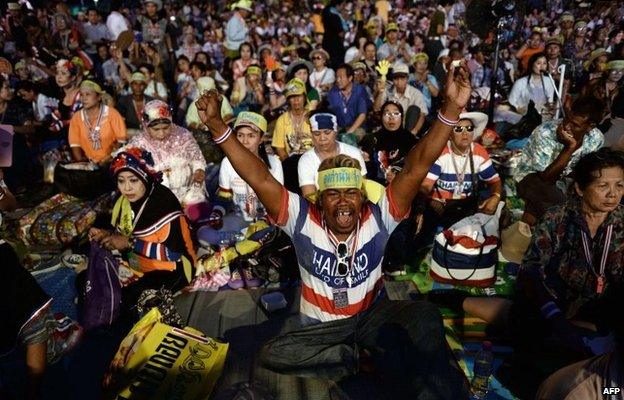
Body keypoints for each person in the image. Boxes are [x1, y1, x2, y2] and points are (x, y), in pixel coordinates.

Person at [194, 59, 472, 400]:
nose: (344, 203)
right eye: (334, 195)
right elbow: (259, 176)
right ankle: (359, 357)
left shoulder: (380, 214)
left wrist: (451, 109)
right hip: (321, 331)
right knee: (273, 353)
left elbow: (417, 166)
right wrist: (219, 129)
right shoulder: (299, 216)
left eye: (351, 193)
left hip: (371, 316)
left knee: (426, 316)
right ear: (320, 199)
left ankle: (401, 375)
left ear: (361, 195)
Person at [511, 148, 624, 367]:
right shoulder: (557, 218)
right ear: (580, 189)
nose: (613, 194)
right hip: (555, 308)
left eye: (619, 185)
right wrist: (554, 315)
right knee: (526, 326)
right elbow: (531, 271)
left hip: (602, 311)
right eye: (603, 186)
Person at [89, 148, 197, 311]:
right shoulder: (123, 201)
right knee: (89, 279)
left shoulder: (162, 203)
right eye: (121, 180)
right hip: (136, 263)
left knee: (128, 299)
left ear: (145, 177)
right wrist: (107, 235)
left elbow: (174, 254)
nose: (127, 188)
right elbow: (123, 233)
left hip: (173, 269)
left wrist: (130, 243)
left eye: (133, 180)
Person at [197, 112, 282, 288]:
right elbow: (224, 198)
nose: (245, 141)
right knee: (207, 232)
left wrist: (264, 221)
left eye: (251, 136)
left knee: (259, 231)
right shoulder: (228, 163)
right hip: (239, 220)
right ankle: (238, 265)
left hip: (266, 222)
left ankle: (252, 264)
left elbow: (279, 202)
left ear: (261, 138)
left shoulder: (274, 163)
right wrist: (216, 213)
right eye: (240, 135)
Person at [514, 96, 606, 226]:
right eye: (566, 119)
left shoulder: (596, 139)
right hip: (532, 178)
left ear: (590, 127)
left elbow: (586, 171)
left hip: (564, 180)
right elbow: (547, 179)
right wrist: (570, 148)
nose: (566, 126)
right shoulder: (545, 133)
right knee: (560, 205)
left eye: (575, 125)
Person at [418, 112, 501, 232]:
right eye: (458, 129)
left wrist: (496, 196)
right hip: (440, 205)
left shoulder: (479, 152)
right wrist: (426, 203)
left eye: (469, 128)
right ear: (450, 134)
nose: (465, 133)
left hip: (466, 206)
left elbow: (495, 181)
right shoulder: (441, 153)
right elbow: (425, 186)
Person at [126, 100, 206, 203]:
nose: (162, 133)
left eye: (166, 128)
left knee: (195, 212)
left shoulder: (183, 135)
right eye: (156, 129)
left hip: (187, 191)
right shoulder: (139, 144)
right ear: (146, 126)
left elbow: (196, 157)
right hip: (156, 196)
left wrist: (199, 169)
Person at [298, 113, 367, 198]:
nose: (322, 138)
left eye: (327, 132)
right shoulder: (306, 160)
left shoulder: (353, 153)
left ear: (335, 132)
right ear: (311, 135)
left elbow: (363, 189)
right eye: (317, 133)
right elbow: (309, 197)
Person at [69, 80, 127, 164]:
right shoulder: (76, 117)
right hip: (87, 163)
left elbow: (121, 141)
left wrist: (107, 160)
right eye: (81, 94)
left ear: (99, 97)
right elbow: (75, 144)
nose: (84, 98)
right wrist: (83, 164)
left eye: (88, 94)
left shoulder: (112, 114)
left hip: (111, 162)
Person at [271, 78, 313, 193]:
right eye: (292, 97)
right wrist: (288, 162)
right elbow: (279, 147)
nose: (296, 100)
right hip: (291, 161)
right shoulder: (282, 120)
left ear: (304, 97)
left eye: (299, 96)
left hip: (312, 160)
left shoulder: (313, 117)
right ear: (288, 100)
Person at [364, 101, 417, 184]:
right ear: (381, 117)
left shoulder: (411, 140)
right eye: (387, 114)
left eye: (396, 113)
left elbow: (415, 170)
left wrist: (399, 177)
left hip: (403, 187)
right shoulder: (372, 139)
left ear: (402, 117)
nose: (391, 117)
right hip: (377, 188)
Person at [498, 52, 557, 125]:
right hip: (522, 118)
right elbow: (511, 102)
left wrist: (550, 109)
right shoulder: (520, 82)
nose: (542, 66)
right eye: (538, 63)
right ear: (532, 64)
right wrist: (519, 109)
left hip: (542, 117)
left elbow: (550, 101)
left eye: (544, 63)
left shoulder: (549, 81)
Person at [374, 63, 427, 136]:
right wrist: (380, 93)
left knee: (414, 109)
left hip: (407, 127)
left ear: (407, 79)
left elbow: (422, 115)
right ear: (393, 79)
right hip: (389, 124)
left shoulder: (416, 93)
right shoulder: (387, 90)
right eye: (396, 79)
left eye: (402, 78)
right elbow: (376, 109)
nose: (399, 82)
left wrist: (414, 131)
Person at [326, 63, 369, 139]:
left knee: (349, 139)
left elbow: (362, 115)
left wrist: (349, 133)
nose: (338, 80)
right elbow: (330, 113)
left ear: (350, 78)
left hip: (357, 128)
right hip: (339, 128)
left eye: (341, 77)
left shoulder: (360, 90)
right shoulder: (333, 91)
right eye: (337, 77)